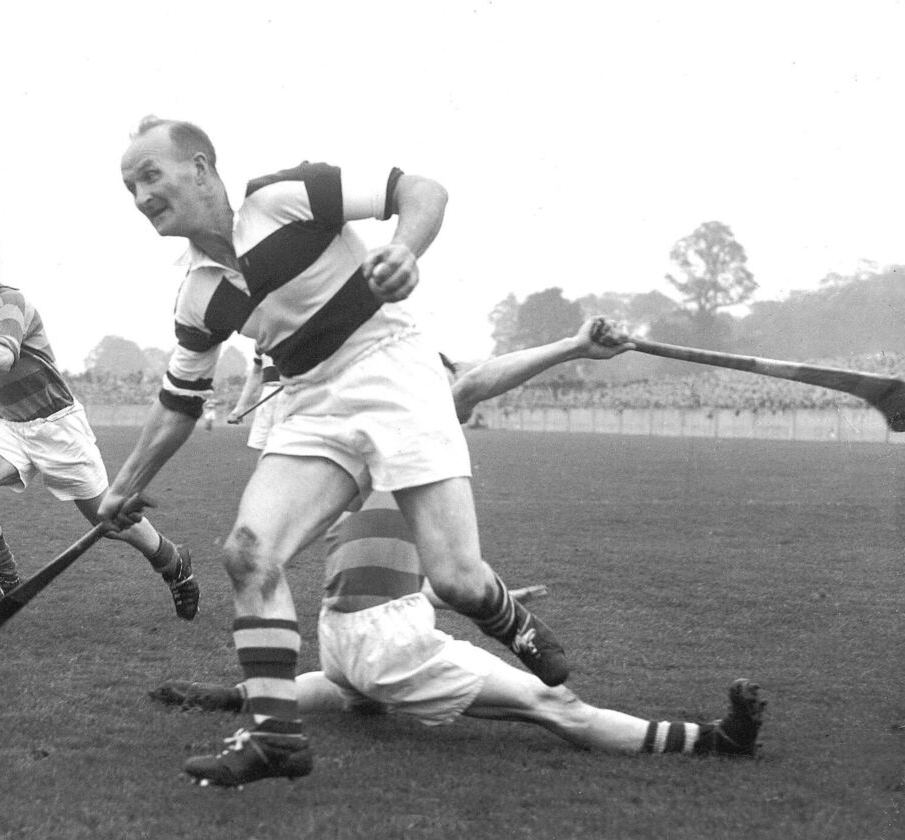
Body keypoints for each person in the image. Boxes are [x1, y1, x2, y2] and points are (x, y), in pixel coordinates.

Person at [102, 116, 569, 786]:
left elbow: (422, 190)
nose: (142, 196)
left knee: (456, 581)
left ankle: (508, 617)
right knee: (248, 552)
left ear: (201, 169)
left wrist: (405, 250)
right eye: (131, 187)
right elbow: (179, 402)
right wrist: (124, 485)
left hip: (395, 368)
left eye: (151, 175)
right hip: (312, 400)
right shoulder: (198, 294)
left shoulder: (283, 197)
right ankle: (276, 740)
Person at [149, 321, 766, 780]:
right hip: (384, 642)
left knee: (350, 691)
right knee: (555, 705)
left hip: (340, 636)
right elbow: (473, 384)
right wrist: (573, 347)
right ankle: (713, 741)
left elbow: (383, 566)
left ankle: (238, 696)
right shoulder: (398, 429)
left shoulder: (359, 451)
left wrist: (447, 598)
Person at [0, 216, 198, 618]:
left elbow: (1, 357)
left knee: (107, 518)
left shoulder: (9, 303)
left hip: (57, 426)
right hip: (11, 427)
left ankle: (173, 562)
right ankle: (4, 578)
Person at [227, 354, 284, 451]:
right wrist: (240, 407)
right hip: (268, 394)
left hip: (294, 393)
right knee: (262, 447)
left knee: (291, 448)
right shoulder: (261, 346)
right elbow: (256, 374)